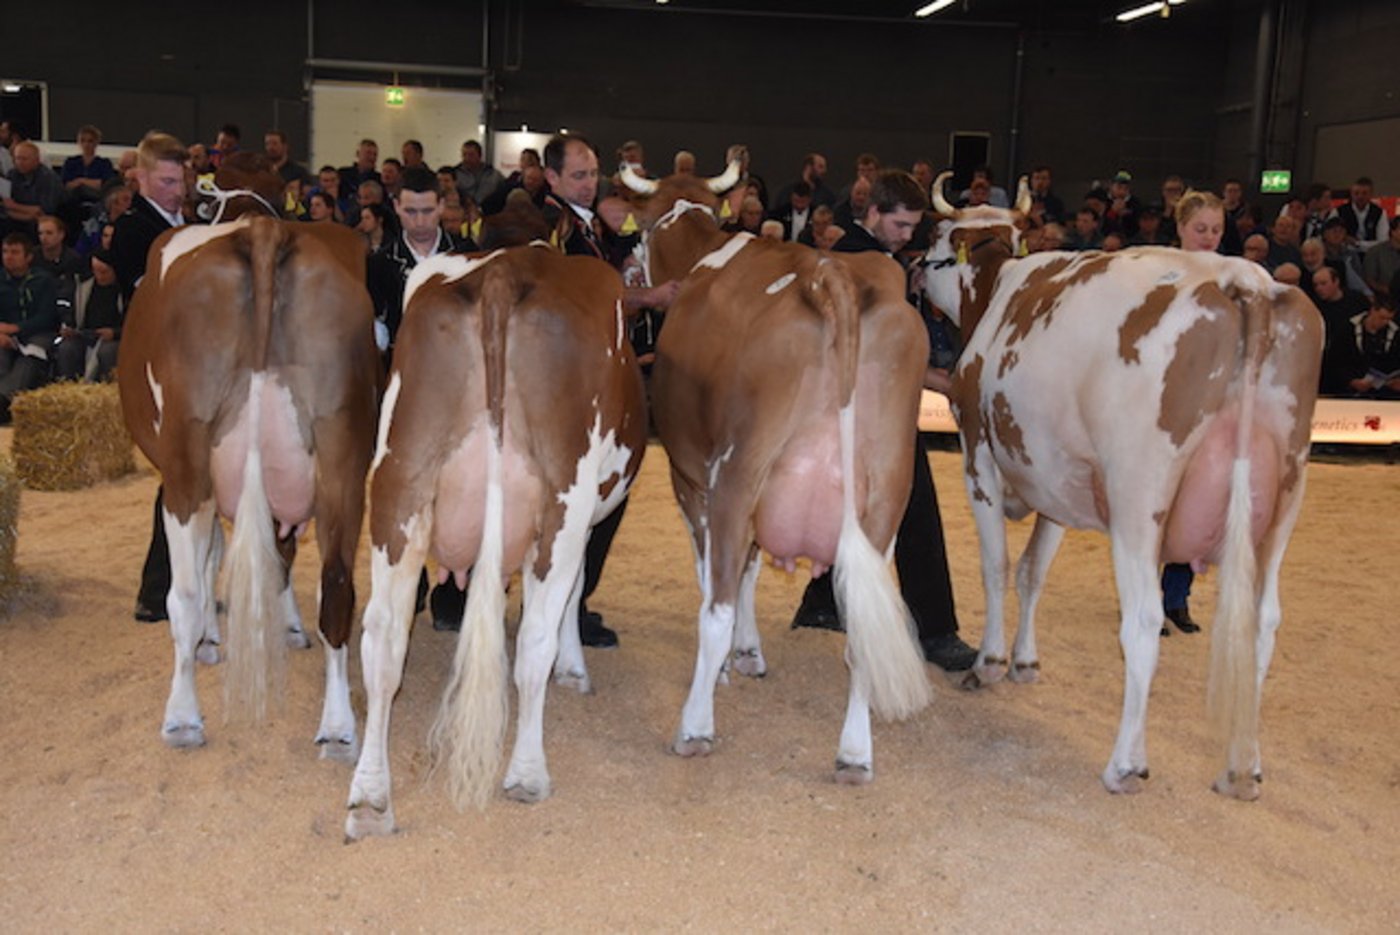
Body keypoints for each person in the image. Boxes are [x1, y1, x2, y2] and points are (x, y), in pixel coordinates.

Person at [791, 169, 978, 672]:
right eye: (899, 225)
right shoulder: (853, 259)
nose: (906, 235)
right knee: (915, 509)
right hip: (868, 404)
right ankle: (935, 631)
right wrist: (939, 381)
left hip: (860, 404)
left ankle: (821, 604)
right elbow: (866, 346)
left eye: (913, 227)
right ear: (872, 212)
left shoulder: (872, 256)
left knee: (852, 505)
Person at [112, 131, 189, 623]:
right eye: (165, 182)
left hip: (191, 361)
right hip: (155, 367)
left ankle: (182, 585)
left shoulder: (190, 224)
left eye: (181, 182)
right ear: (139, 177)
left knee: (192, 476)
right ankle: (156, 590)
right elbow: (153, 297)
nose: (176, 192)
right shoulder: (132, 229)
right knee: (180, 473)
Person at [1159, 189, 1225, 637]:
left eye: (1216, 229)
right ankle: (1144, 597)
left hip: (1209, 401)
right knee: (1155, 502)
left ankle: (1176, 598)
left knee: (1197, 502)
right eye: (1200, 228)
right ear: (1181, 227)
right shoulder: (1161, 273)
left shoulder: (1230, 275)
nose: (1209, 237)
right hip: (1163, 401)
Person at [0, 233, 60, 420]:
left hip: (38, 332)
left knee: (31, 356)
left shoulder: (43, 280)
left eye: (15, 252)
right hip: (4, 333)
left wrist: (16, 328)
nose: (8, 257)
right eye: (5, 252)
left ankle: (4, 400)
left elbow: (47, 317)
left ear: (28, 257)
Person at [54, 246, 123, 382]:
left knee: (107, 351)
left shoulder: (125, 291)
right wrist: (70, 327)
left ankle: (108, 386)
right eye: (96, 271)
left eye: (104, 272)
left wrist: (115, 333)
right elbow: (72, 312)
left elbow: (135, 324)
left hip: (113, 338)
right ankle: (69, 385)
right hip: (86, 333)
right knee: (67, 348)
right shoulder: (84, 287)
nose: (99, 276)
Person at [1320, 296, 1400, 398]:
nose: (1385, 322)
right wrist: (1351, 381)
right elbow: (1335, 361)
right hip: (1349, 389)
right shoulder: (1348, 329)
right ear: (1372, 311)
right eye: (1382, 317)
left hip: (1385, 392)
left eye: (1389, 319)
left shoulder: (1395, 333)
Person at [2, 141, 64, 238]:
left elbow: (45, 211)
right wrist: (29, 213)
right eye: (17, 158)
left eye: (24, 159)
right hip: (17, 218)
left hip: (45, 222)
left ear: (37, 160)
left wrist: (14, 206)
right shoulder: (12, 174)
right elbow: (4, 208)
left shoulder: (48, 178)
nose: (20, 162)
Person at [61, 124, 116, 207]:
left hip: (96, 202)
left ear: (97, 142)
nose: (86, 144)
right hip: (73, 202)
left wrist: (81, 181)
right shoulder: (71, 162)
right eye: (83, 141)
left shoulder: (104, 163)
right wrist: (91, 182)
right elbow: (66, 185)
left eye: (90, 141)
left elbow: (104, 185)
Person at [454, 140, 503, 208]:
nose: (467, 158)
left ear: (480, 155)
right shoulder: (454, 174)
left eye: (471, 155)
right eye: (464, 155)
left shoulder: (494, 175)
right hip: (461, 211)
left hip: (488, 212)